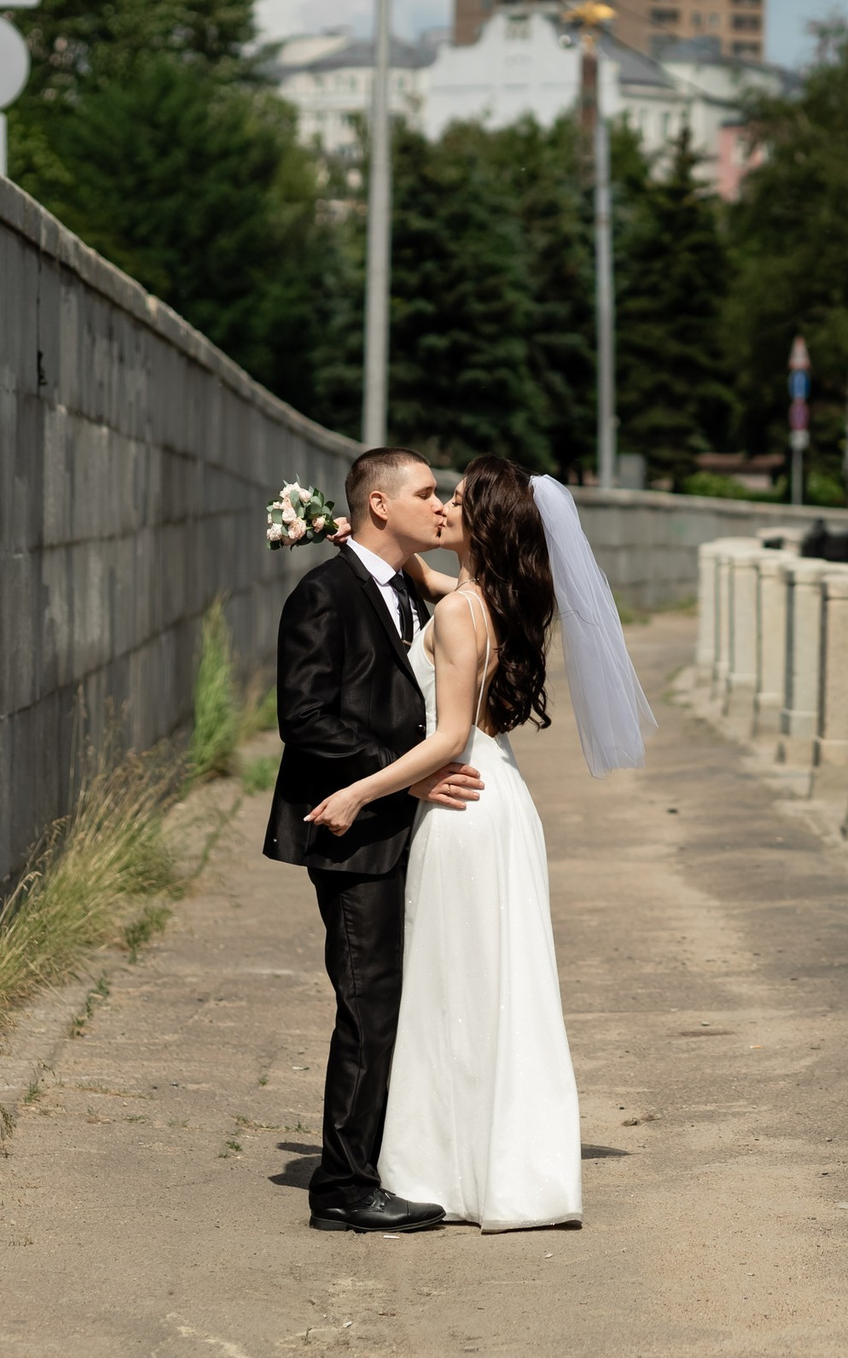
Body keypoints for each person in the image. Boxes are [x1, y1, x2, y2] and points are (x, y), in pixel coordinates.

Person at [305, 455, 655, 1231]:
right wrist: (352, 535)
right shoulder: (485, 598)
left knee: (453, 985)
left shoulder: (463, 612)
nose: (446, 504)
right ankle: (498, 1163)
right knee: (492, 986)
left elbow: (452, 733)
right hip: (500, 798)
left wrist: (360, 790)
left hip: (463, 802)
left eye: (458, 498)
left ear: (488, 523)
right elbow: (415, 580)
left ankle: (445, 1166)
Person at [263, 448, 484, 1234]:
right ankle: (344, 1185)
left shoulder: (409, 590)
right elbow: (306, 720)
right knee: (368, 1002)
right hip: (350, 831)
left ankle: (381, 1156)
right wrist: (401, 776)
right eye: (427, 492)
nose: (440, 503)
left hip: (400, 829)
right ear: (381, 505)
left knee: (390, 999)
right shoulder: (322, 594)